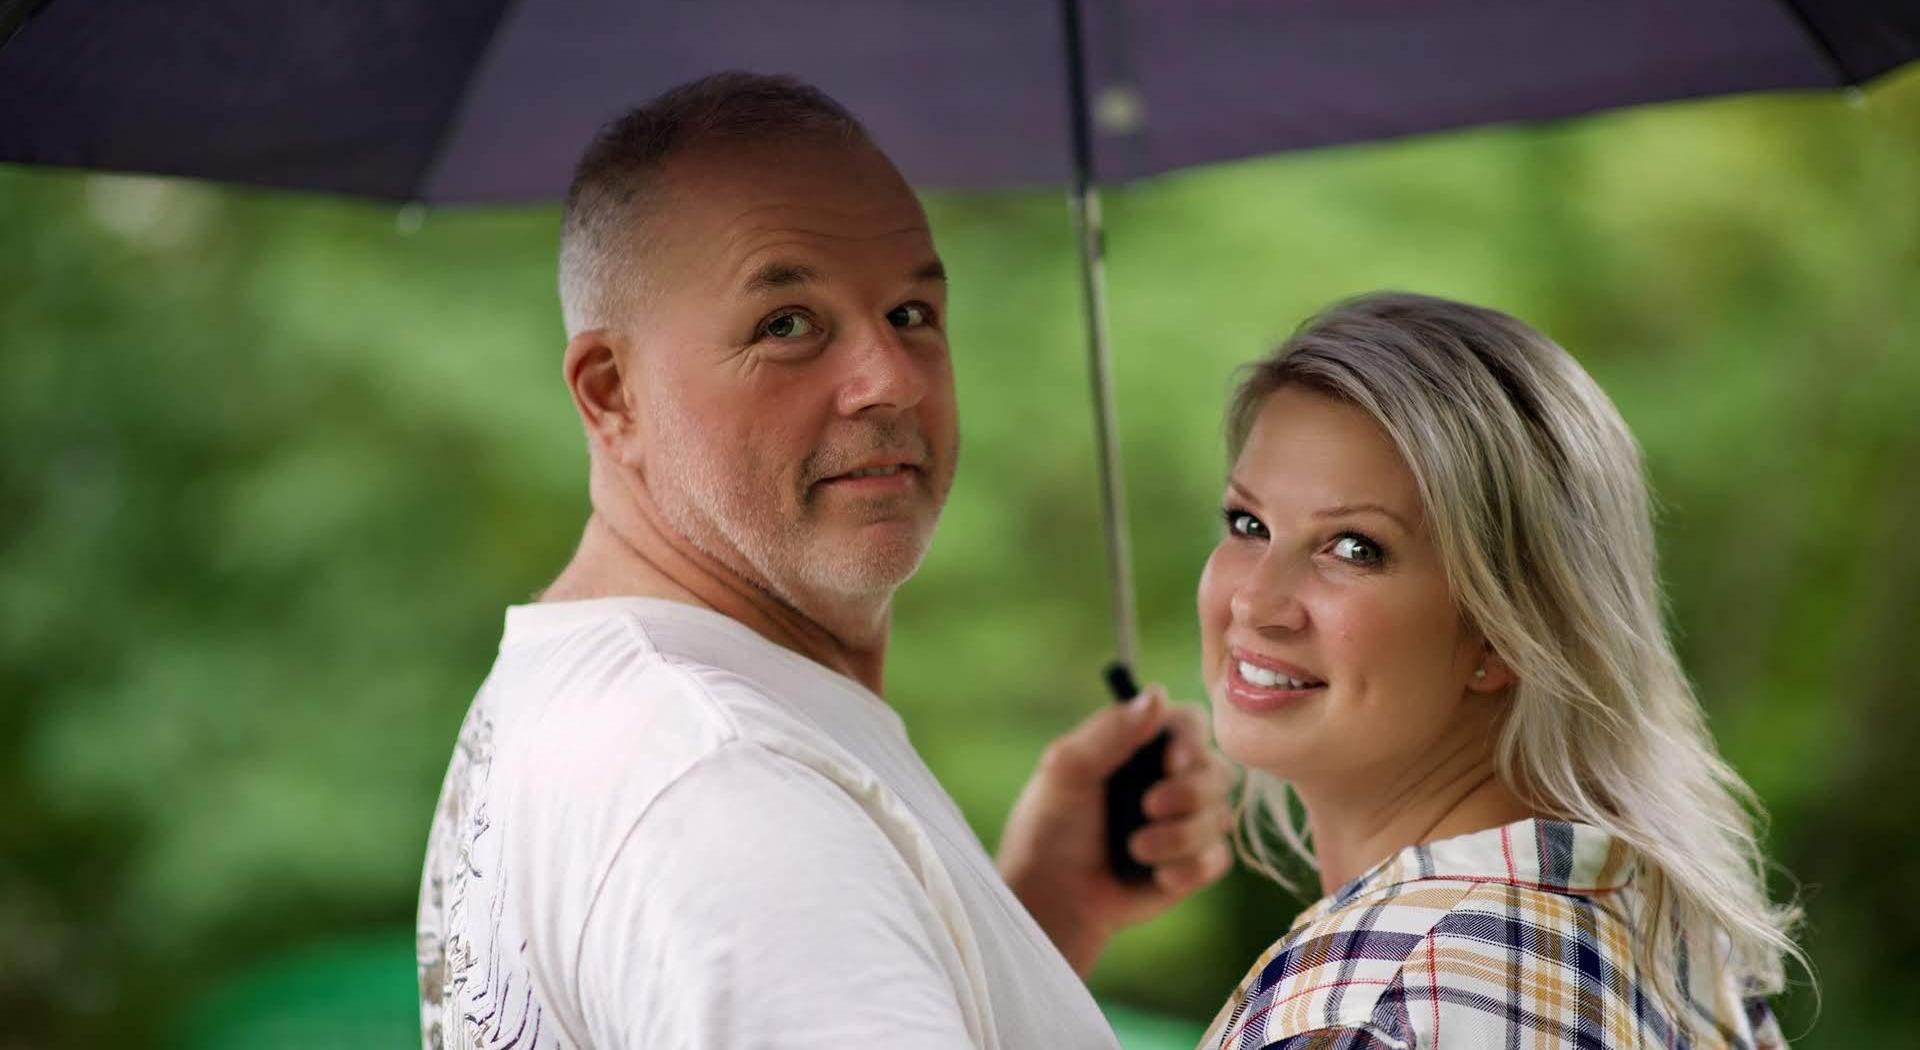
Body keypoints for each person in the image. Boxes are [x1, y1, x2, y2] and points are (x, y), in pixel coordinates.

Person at [415, 72, 1234, 1049]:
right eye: (787, 325)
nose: (890, 380)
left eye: (912, 313)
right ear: (610, 393)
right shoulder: (730, 788)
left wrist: (1046, 912)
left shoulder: (585, 702)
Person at [1195, 293, 1805, 1049]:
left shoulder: (1365, 1009)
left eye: (1355, 548)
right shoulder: (1669, 947)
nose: (1255, 602)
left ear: (1505, 633)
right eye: (1248, 524)